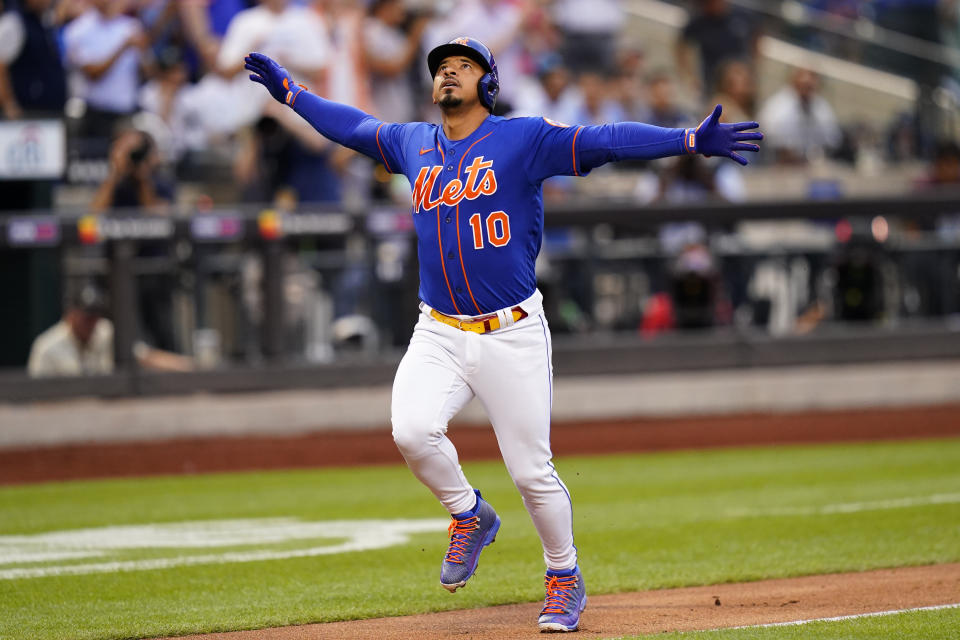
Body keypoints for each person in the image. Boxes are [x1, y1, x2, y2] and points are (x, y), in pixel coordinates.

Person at [244, 37, 762, 632]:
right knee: (412, 430)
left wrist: (687, 139)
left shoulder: (522, 139)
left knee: (530, 472)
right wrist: (291, 93)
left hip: (511, 331)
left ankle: (564, 575)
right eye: (441, 68)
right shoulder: (414, 142)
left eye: (463, 66)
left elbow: (606, 141)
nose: (449, 74)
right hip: (437, 329)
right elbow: (354, 126)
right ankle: (469, 513)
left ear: (488, 83)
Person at [27, 284, 193, 377]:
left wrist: (192, 367)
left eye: (95, 316)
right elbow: (35, 401)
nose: (92, 323)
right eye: (87, 318)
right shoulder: (46, 347)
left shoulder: (105, 331)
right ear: (71, 314)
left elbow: (146, 357)